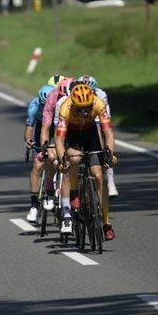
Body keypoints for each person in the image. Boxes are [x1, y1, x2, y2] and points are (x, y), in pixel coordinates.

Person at [55, 84, 117, 240]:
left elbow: (108, 132)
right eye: (81, 109)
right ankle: (74, 191)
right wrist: (63, 158)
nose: (85, 112)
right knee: (74, 159)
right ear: (74, 105)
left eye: (88, 108)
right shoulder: (65, 108)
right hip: (72, 134)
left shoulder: (99, 104)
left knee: (98, 176)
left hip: (90, 134)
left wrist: (109, 153)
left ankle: (106, 222)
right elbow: (59, 139)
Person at [76, 75, 119, 199]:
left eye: (91, 92)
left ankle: (110, 181)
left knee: (104, 135)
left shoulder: (101, 95)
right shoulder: (75, 96)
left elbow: (102, 124)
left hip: (96, 112)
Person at [24, 84, 55, 222]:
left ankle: (53, 191)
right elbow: (29, 128)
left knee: (56, 158)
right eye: (43, 105)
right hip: (40, 130)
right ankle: (34, 205)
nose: (44, 108)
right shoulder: (34, 106)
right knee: (37, 165)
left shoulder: (60, 105)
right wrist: (29, 140)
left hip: (56, 129)